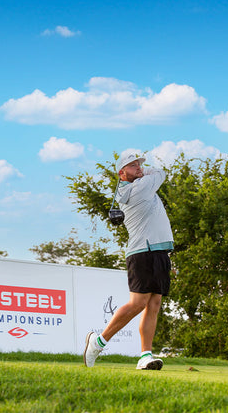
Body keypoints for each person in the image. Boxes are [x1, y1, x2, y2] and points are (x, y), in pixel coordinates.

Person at [83, 152, 174, 370]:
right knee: (138, 303)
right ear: (121, 174)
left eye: (139, 164)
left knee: (154, 304)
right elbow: (161, 173)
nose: (139, 168)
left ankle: (145, 356)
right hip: (143, 251)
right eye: (132, 166)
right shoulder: (139, 189)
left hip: (159, 250)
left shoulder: (138, 185)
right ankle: (98, 342)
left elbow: (153, 174)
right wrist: (144, 173)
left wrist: (139, 171)